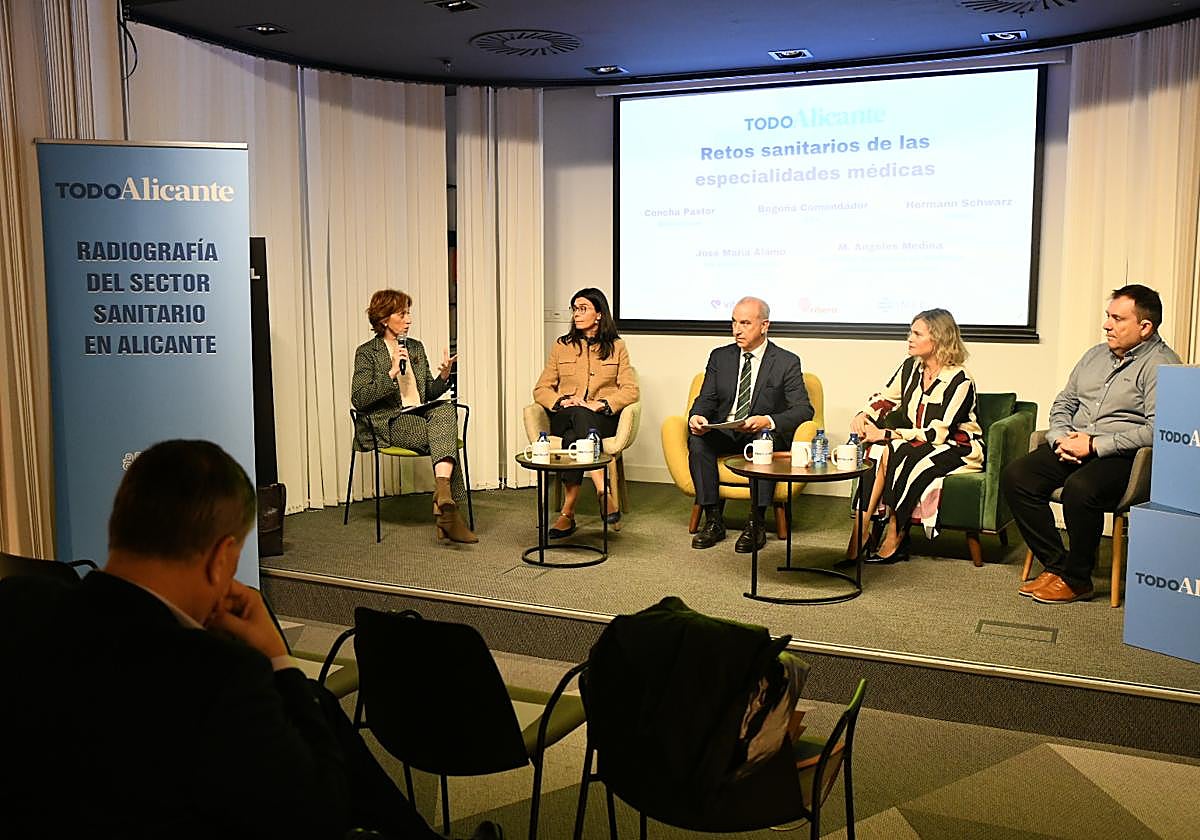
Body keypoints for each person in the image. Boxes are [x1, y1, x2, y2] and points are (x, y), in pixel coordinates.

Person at [0, 439, 500, 840]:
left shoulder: (20, 603)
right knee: (312, 702)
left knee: (320, 702)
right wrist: (278, 658)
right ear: (221, 557)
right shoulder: (220, 677)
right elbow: (318, 815)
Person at [1002, 284, 1181, 604]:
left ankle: (1077, 580)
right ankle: (1057, 565)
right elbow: (1064, 403)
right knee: (1017, 476)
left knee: (1081, 489)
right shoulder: (1094, 356)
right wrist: (1060, 438)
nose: (1106, 325)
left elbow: (1158, 430)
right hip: (1075, 443)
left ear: (1145, 327)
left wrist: (1096, 445)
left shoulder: (1163, 365)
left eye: (1117, 319)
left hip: (1124, 456)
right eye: (1107, 316)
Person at [848, 309, 984, 563]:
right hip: (917, 441)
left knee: (902, 453)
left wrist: (889, 433)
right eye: (910, 332)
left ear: (939, 338)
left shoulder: (960, 379)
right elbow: (886, 398)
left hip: (957, 447)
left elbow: (938, 432)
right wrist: (864, 415)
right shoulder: (910, 368)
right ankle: (860, 529)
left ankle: (895, 535)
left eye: (917, 334)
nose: (909, 339)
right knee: (878, 450)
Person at [688, 296, 813, 552]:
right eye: (734, 322)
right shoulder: (720, 357)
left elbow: (803, 410)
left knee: (762, 443)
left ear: (764, 325)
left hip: (761, 434)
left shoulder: (786, 361)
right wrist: (697, 416)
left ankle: (756, 523)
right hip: (727, 430)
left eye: (745, 323)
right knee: (698, 440)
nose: (737, 330)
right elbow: (706, 398)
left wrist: (767, 421)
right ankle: (713, 520)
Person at [352, 289, 476, 543]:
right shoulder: (367, 352)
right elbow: (360, 397)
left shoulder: (415, 347)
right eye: (402, 314)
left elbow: (428, 392)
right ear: (384, 319)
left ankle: (443, 495)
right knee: (444, 438)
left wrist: (445, 375)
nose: (409, 320)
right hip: (390, 420)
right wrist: (390, 373)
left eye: (408, 313)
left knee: (445, 409)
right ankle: (447, 511)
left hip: (419, 413)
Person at [533, 287, 639, 537]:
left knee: (574, 436)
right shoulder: (562, 346)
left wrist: (600, 404)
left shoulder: (616, 346)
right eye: (574, 309)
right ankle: (603, 490)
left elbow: (631, 390)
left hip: (601, 418)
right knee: (578, 414)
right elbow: (541, 389)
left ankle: (567, 514)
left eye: (583, 309)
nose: (577, 314)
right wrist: (561, 401)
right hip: (565, 414)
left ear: (599, 314)